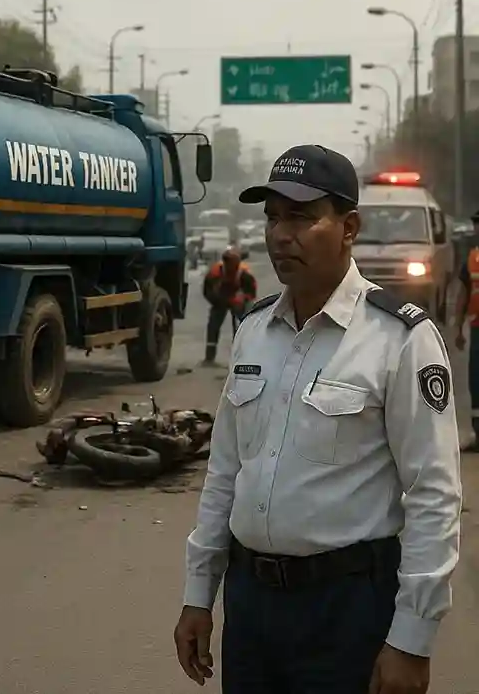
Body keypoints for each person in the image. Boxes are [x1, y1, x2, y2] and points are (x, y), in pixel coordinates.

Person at [173, 144, 462, 694]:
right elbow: (225, 474)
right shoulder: (253, 330)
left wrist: (411, 639)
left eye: (301, 217)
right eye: (273, 217)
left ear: (349, 227)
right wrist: (198, 594)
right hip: (251, 606)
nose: (281, 235)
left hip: (346, 611)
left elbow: (434, 494)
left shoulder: (400, 338)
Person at [202, 246, 258, 365]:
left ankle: (243, 356)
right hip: (219, 299)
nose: (232, 268)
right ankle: (209, 358)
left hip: (238, 300)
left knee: (245, 324)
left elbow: (251, 293)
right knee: (213, 325)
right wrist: (219, 301)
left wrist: (242, 300)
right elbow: (207, 292)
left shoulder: (245, 274)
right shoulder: (214, 273)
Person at [452, 208, 479, 444]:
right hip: (477, 328)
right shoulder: (472, 258)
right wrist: (458, 327)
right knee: (476, 380)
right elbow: (464, 293)